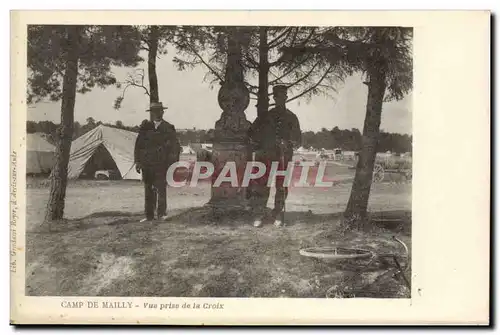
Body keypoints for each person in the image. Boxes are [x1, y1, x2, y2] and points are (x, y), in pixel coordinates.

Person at [248, 85, 302, 228]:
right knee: (262, 186)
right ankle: (259, 214)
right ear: (274, 98)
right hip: (265, 156)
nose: (280, 99)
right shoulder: (265, 116)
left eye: (283, 96)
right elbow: (252, 132)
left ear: (286, 98)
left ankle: (277, 213)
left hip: (283, 157)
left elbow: (298, 139)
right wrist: (260, 145)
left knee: (281, 187)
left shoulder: (292, 117)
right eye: (277, 96)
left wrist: (289, 142)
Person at [134, 102, 180, 223]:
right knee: (148, 189)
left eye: (158, 111)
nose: (156, 114)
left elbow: (175, 147)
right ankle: (149, 215)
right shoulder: (145, 127)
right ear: (151, 113)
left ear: (162, 112)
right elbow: (138, 145)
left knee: (161, 189)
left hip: (162, 164)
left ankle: (162, 214)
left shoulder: (169, 128)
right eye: (153, 112)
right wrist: (138, 161)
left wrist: (173, 164)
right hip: (147, 164)